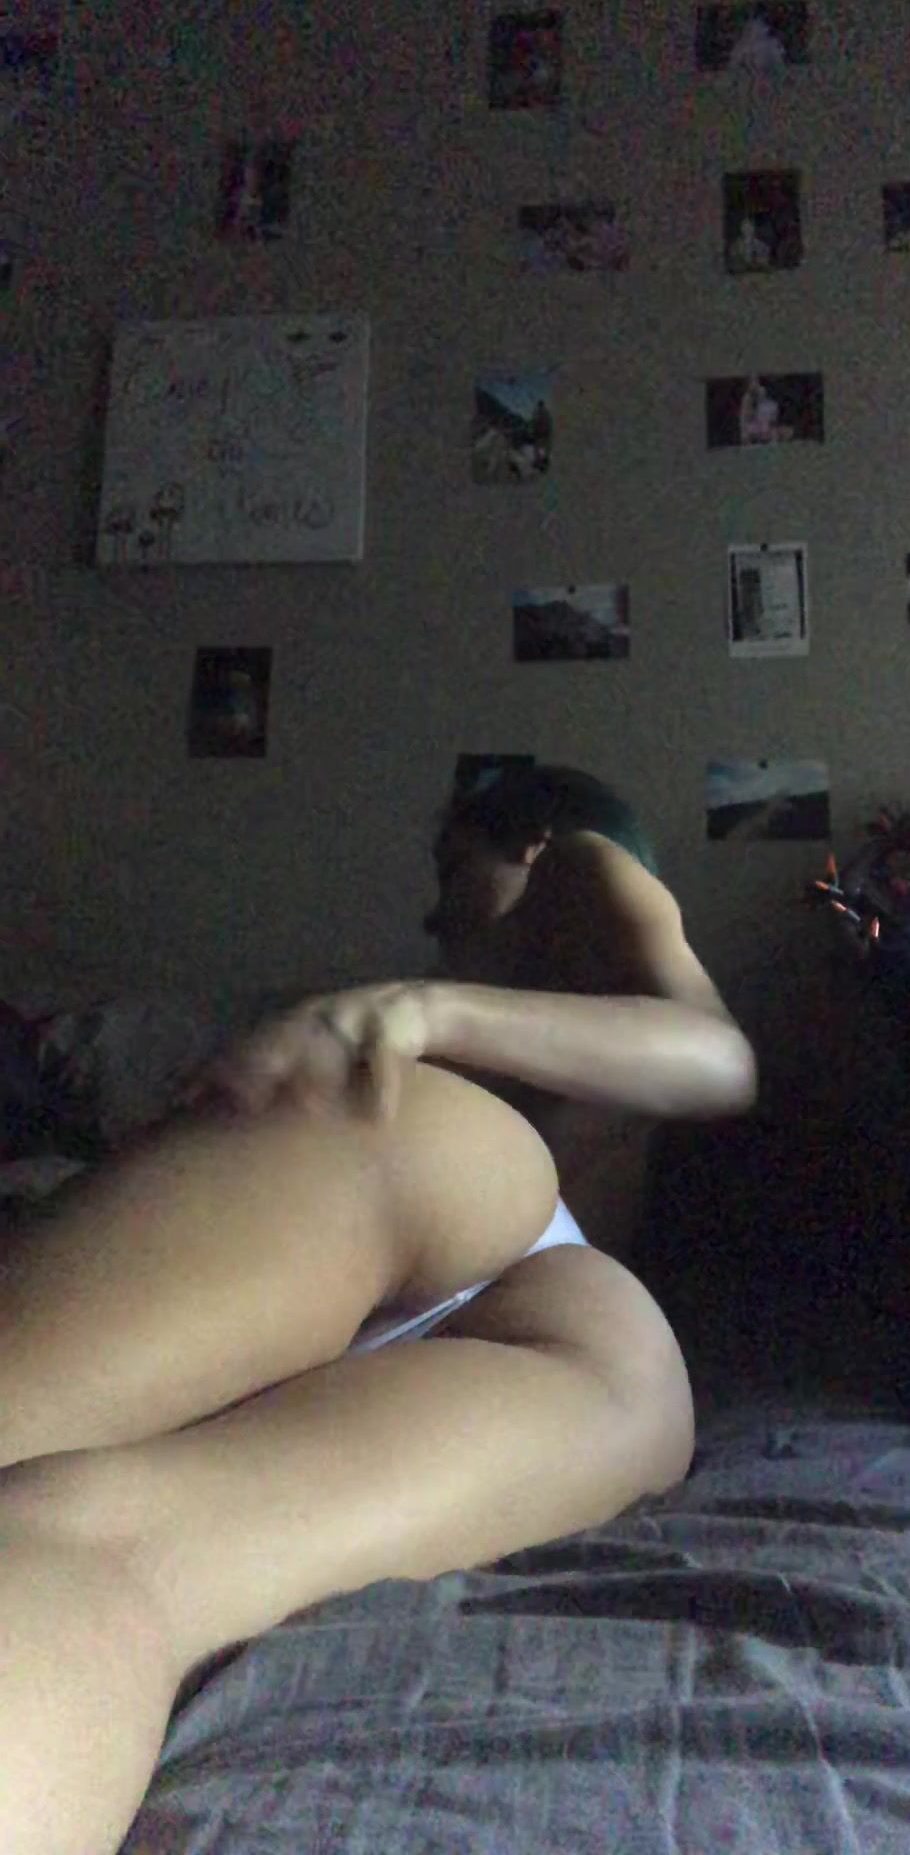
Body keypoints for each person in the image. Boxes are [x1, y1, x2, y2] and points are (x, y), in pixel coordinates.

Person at [0, 765, 756, 1855]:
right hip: (601, 1344)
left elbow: (719, 1059)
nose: (435, 911)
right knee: (107, 1556)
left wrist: (414, 1006)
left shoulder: (578, 866)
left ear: (527, 840)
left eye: (453, 867)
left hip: (448, 1170)